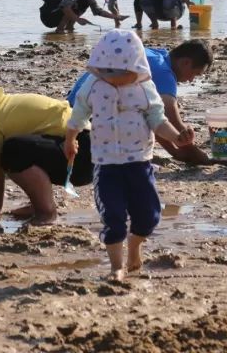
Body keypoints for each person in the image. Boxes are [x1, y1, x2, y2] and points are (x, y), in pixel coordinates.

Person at [65, 30, 192, 280]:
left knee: (149, 215)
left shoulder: (145, 88)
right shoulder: (94, 85)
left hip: (139, 162)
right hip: (105, 164)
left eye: (122, 72)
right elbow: (78, 115)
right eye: (107, 71)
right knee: (113, 216)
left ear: (136, 66)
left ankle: (134, 245)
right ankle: (116, 267)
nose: (114, 78)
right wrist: (69, 140)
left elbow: (157, 120)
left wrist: (176, 136)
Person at [0, 62, 94, 228]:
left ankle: (46, 212)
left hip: (80, 154)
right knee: (8, 153)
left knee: (13, 151)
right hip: (86, 146)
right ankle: (39, 205)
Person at [67, 39, 214, 166]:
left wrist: (175, 151)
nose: (191, 80)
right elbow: (169, 116)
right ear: (186, 62)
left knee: (145, 108)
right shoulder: (165, 74)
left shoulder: (155, 56)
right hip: (91, 120)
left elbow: (153, 113)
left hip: (75, 106)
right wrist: (193, 151)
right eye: (195, 74)